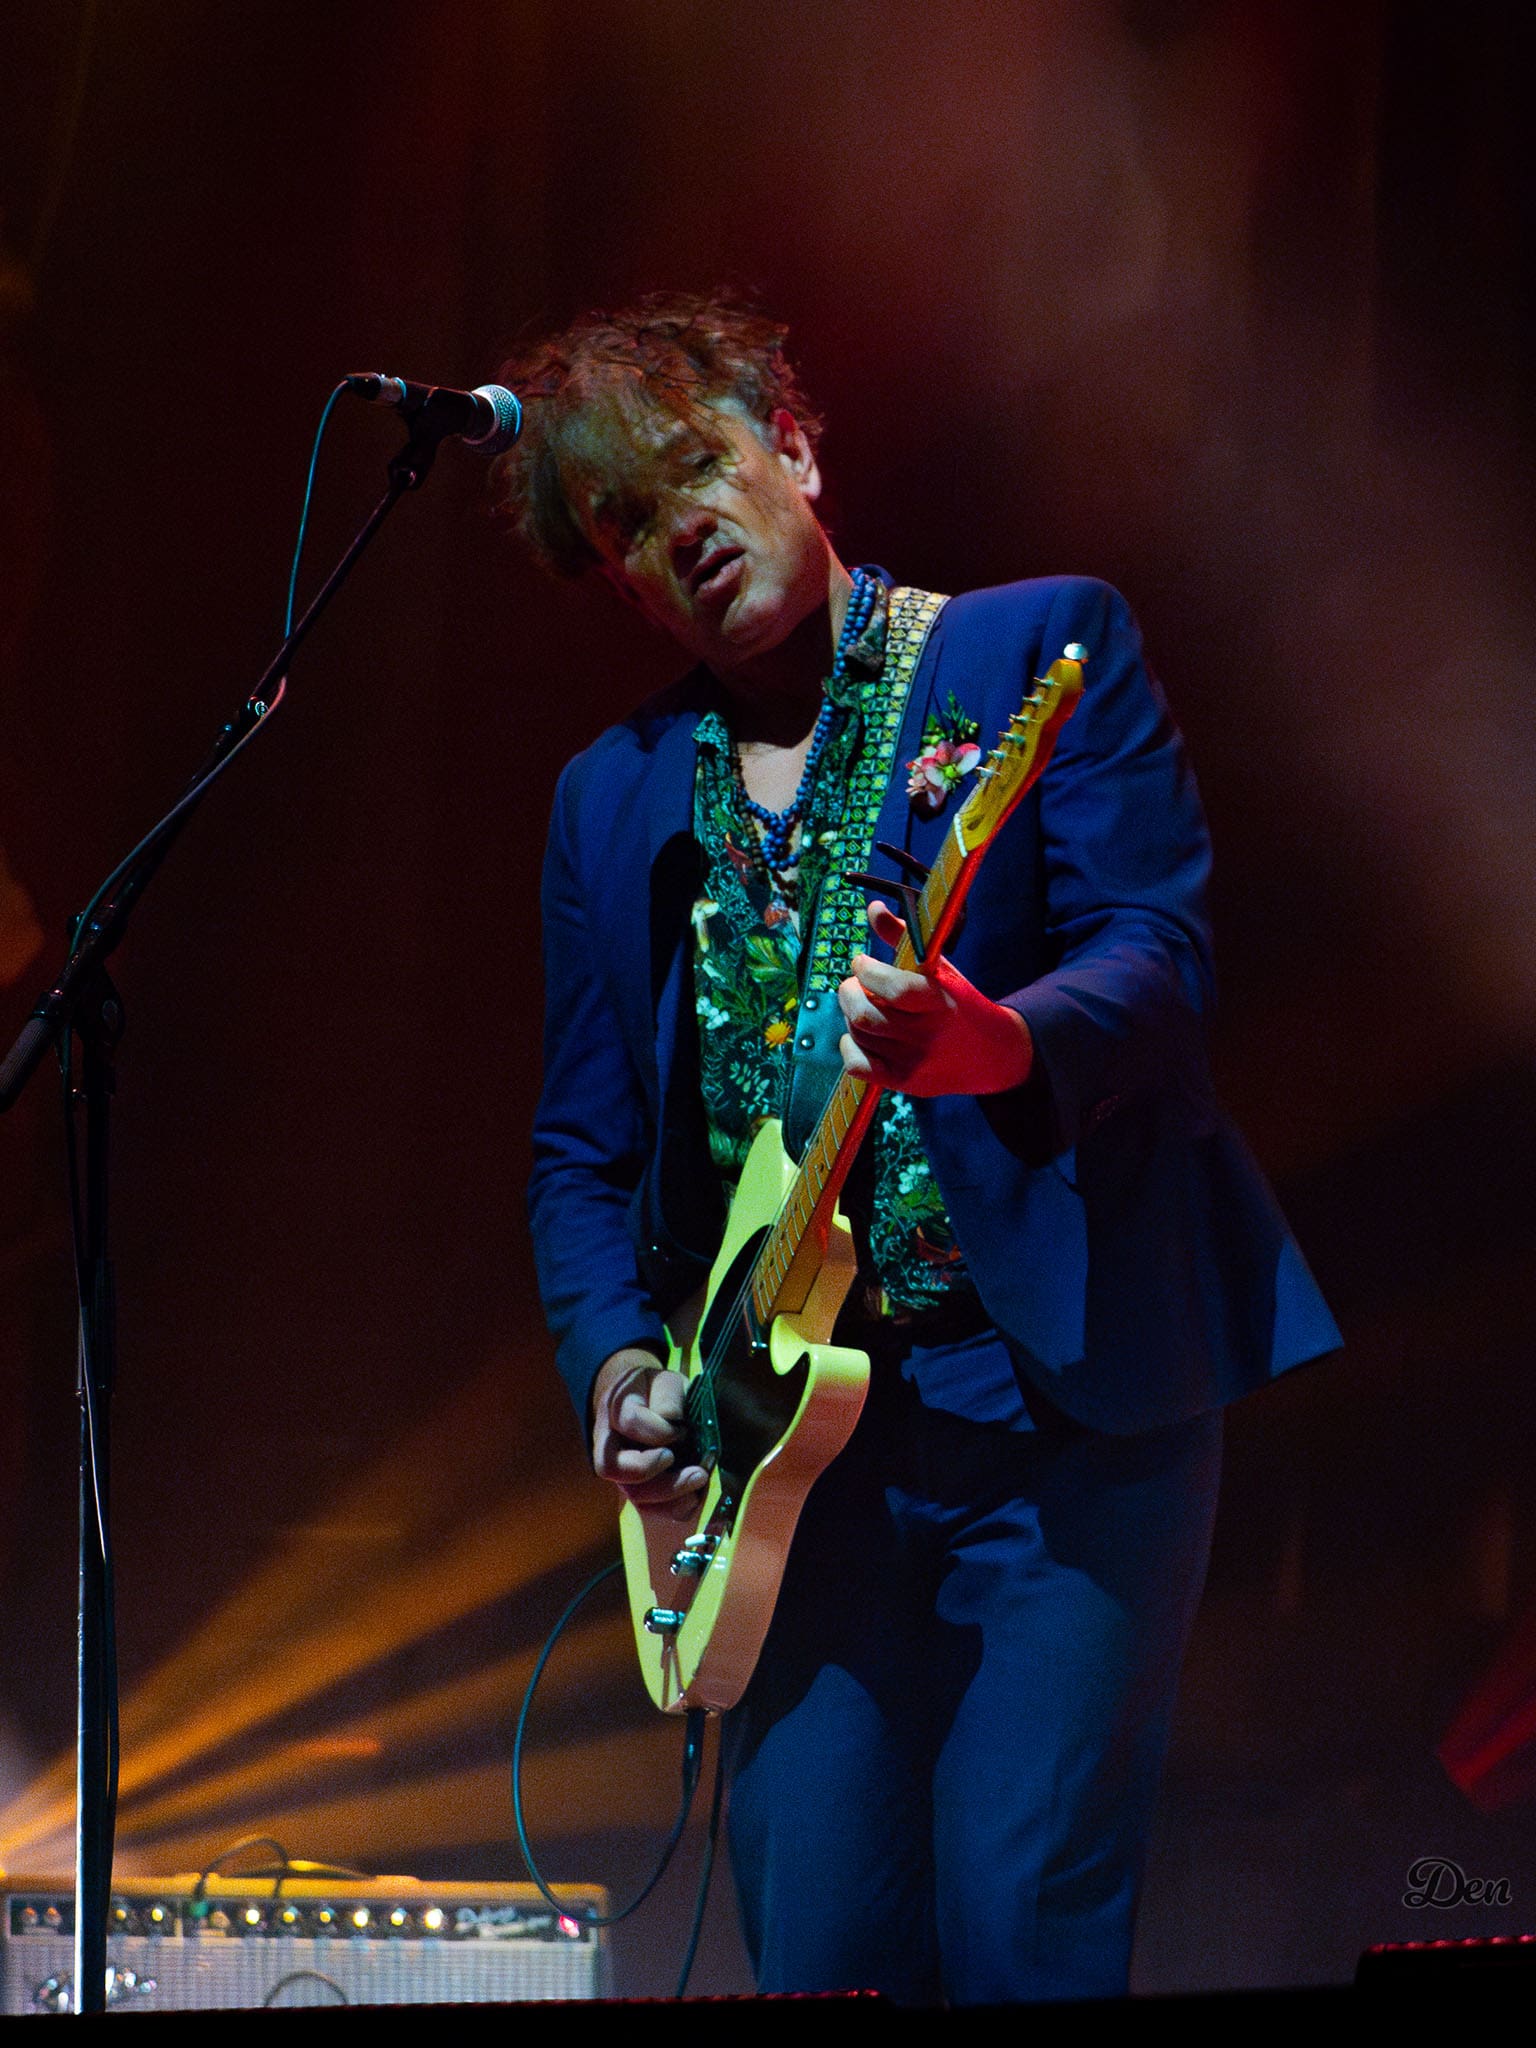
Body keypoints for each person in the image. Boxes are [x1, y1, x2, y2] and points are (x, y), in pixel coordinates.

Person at [500, 292, 1339, 2004]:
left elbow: (1159, 960)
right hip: (791, 1463)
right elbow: (581, 1154)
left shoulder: (1029, 649)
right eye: (630, 528)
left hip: (1059, 1412)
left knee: (1021, 1912)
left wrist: (992, 1043)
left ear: (795, 451)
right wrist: (620, 1369)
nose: (681, 535)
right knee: (820, 1942)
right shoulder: (611, 794)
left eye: (697, 470)